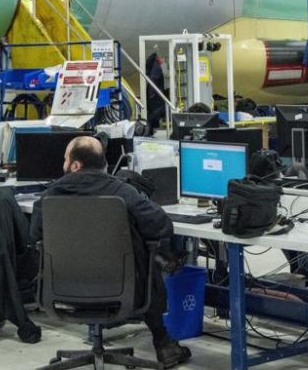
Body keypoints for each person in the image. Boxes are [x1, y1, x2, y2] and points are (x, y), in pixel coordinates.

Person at [30, 136, 192, 368]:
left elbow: (34, 235)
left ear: (75, 165)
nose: (63, 164)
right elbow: (162, 225)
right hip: (123, 290)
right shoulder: (123, 192)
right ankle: (163, 342)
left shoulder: (49, 197)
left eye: (65, 159)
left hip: (62, 289)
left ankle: (163, 342)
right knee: (144, 251)